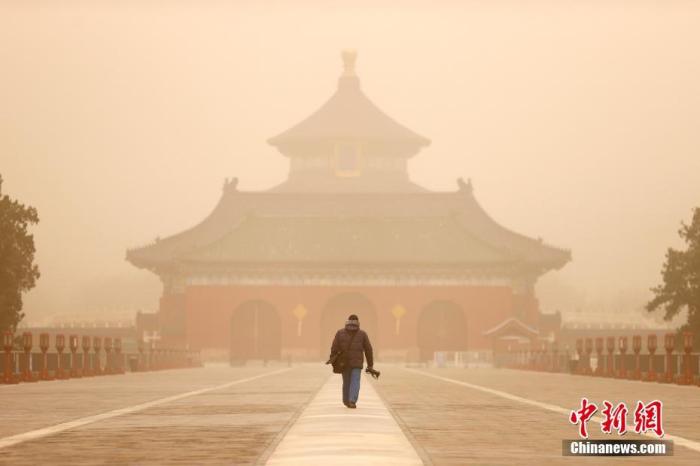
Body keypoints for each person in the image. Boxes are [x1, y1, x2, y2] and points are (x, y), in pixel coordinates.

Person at [329, 314, 374, 409]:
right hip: (357, 363)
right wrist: (370, 364)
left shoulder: (340, 333)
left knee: (346, 382)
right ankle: (352, 400)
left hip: (344, 363)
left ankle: (346, 400)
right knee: (355, 381)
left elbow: (334, 347)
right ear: (358, 322)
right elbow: (368, 349)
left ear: (348, 321)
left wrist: (333, 359)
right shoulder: (362, 334)